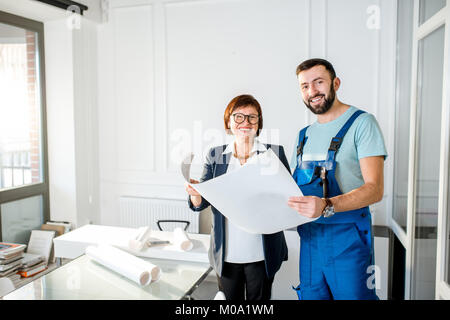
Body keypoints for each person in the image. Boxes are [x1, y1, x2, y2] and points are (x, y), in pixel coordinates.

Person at [287, 58, 387, 300]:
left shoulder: (363, 124)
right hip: (310, 240)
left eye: (318, 82)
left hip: (348, 239)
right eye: (305, 86)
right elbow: (291, 187)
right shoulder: (304, 135)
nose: (312, 91)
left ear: (336, 83)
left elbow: (375, 189)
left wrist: (327, 205)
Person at [186, 94, 289, 300]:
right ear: (229, 122)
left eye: (252, 117)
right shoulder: (216, 155)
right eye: (239, 116)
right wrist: (197, 194)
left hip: (262, 250)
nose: (246, 122)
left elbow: (287, 197)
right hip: (227, 253)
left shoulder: (274, 153)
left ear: (259, 122)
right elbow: (201, 202)